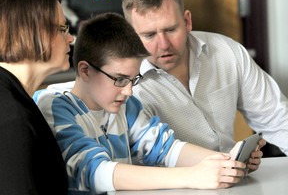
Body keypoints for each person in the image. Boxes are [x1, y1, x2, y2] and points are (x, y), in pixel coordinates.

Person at [33, 13, 263, 194]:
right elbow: (95, 172)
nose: (129, 90)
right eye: (120, 79)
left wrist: (226, 163)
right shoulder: (54, 106)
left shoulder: (125, 105)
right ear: (85, 70)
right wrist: (192, 176)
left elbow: (165, 149)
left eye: (133, 79)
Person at [122, 0, 288, 156]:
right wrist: (225, 164)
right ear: (132, 36)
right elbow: (150, 157)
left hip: (233, 175)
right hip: (171, 181)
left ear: (187, 21)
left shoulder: (227, 52)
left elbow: (277, 119)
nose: (163, 44)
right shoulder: (128, 87)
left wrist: (234, 165)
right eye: (149, 35)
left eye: (171, 30)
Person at [0, 0, 74, 195]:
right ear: (34, 33)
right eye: (63, 29)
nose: (71, 38)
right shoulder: (11, 117)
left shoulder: (14, 97)